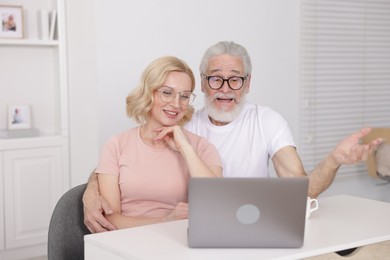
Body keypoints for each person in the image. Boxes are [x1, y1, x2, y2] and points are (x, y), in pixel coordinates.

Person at [83, 41, 383, 233]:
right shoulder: (184, 122)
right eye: (216, 78)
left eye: (235, 79)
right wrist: (90, 189)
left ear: (247, 83)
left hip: (254, 226)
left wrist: (333, 161)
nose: (225, 88)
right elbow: (129, 159)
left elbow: (299, 188)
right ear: (204, 83)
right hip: (196, 232)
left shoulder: (265, 121)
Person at [93, 56, 222, 230]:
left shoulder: (202, 147)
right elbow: (110, 220)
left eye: (184, 96)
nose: (176, 104)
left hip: (178, 242)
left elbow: (217, 204)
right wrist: (165, 221)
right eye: (167, 93)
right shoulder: (116, 145)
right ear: (149, 93)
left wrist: (185, 148)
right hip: (126, 241)